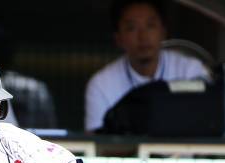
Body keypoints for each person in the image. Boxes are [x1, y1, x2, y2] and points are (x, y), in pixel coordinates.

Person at [84, 0, 210, 132]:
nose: (143, 36)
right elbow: (96, 145)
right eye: (131, 28)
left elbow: (207, 128)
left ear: (163, 32)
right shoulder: (101, 85)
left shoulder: (191, 71)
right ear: (118, 38)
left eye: (150, 25)